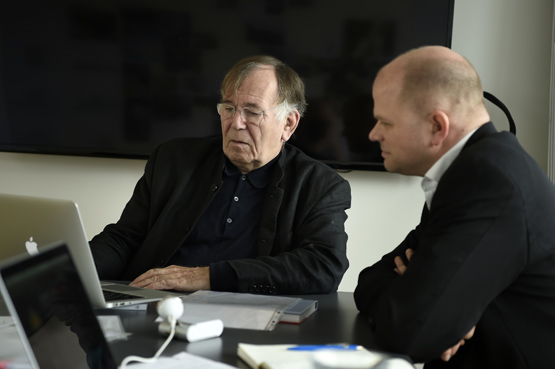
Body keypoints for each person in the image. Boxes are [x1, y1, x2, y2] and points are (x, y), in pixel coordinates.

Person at [353, 45, 555, 368]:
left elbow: (410, 332)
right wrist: (436, 312)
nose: (373, 133)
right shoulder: (469, 170)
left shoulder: (488, 180)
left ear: (437, 126)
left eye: (384, 122)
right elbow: (371, 278)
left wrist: (434, 313)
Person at [89, 55, 351, 295]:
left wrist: (209, 277)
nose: (235, 123)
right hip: (154, 305)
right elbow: (124, 239)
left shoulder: (320, 186)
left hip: (250, 318)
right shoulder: (173, 160)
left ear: (288, 124)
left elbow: (323, 266)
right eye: (228, 108)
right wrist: (73, 266)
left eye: (251, 111)